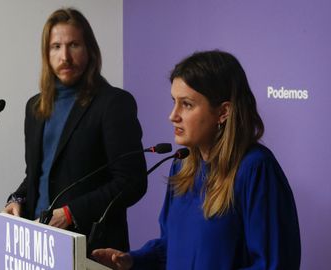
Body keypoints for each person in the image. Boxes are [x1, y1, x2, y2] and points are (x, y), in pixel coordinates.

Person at [92, 50, 301, 269]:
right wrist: (133, 260)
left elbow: (273, 264)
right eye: (174, 101)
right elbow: (170, 247)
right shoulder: (181, 164)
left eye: (187, 104)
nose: (173, 115)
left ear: (223, 112)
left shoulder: (256, 169)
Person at [3, 8, 147, 252]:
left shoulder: (113, 103)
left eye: (74, 45)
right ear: (46, 54)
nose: (65, 56)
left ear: (90, 50)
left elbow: (131, 181)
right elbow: (38, 175)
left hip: (91, 245)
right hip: (37, 240)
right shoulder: (35, 107)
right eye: (56, 47)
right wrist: (16, 199)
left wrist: (70, 213)